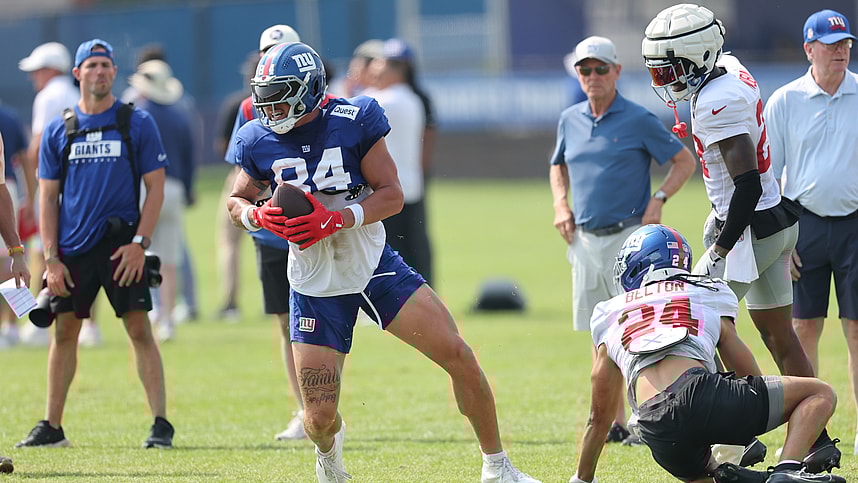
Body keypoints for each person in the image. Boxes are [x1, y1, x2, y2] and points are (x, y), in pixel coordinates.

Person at [227, 41, 539, 483]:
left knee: (458, 354)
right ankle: (330, 458)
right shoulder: (258, 137)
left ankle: (498, 466)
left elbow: (391, 194)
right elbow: (236, 199)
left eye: (280, 94)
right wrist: (254, 215)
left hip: (372, 262)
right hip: (314, 280)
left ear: (308, 89)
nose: (270, 106)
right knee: (317, 418)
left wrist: (336, 219)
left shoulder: (354, 119)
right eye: (265, 94)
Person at [642, 4, 841, 472]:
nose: (666, 79)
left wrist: (719, 248)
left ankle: (737, 440)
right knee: (779, 335)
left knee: (701, 323)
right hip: (773, 220)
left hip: (748, 229)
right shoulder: (728, 67)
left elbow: (746, 184)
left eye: (670, 68)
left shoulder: (717, 98)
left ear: (698, 57)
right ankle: (820, 441)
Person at [571, 224, 846, 483]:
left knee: (711, 477)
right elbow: (747, 373)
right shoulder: (705, 291)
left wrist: (581, 479)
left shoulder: (609, 313)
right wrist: (750, 412)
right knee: (819, 394)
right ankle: (786, 472)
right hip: (701, 394)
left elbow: (599, 417)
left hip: (654, 425)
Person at [16, 39, 174, 449]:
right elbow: (47, 197)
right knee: (64, 332)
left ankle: (160, 424)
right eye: (92, 66)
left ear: (113, 72)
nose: (100, 72)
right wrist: (50, 258)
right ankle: (52, 427)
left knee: (139, 328)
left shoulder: (135, 122)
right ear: (78, 74)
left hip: (123, 246)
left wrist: (141, 242)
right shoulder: (60, 128)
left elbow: (154, 188)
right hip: (72, 249)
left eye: (106, 65)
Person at [549, 35, 696, 443]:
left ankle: (641, 418)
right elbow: (557, 166)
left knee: (637, 331)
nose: (592, 76)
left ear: (616, 71)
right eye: (585, 69)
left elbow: (683, 160)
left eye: (600, 69)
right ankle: (612, 422)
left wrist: (659, 198)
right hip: (584, 240)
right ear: (577, 75)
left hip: (630, 243)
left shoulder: (638, 118)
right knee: (598, 335)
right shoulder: (570, 119)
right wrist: (561, 205)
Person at [763, 9, 858, 456]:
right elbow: (770, 176)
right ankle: (810, 432)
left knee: (857, 329)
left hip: (855, 224)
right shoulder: (784, 100)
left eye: (845, 44)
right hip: (804, 226)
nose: (841, 50)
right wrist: (785, 240)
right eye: (831, 43)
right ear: (809, 48)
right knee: (803, 327)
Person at [222, 23, 308, 440]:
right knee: (285, 322)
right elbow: (243, 179)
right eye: (267, 52)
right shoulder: (248, 109)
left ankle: (320, 404)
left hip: (322, 231)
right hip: (274, 232)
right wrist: (246, 214)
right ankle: (303, 409)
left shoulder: (325, 106)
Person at [18, 41, 83, 347]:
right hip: (77, 186)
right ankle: (89, 327)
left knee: (42, 249)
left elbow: (37, 144)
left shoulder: (48, 96)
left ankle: (37, 321)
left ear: (51, 69)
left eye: (38, 70)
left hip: (50, 184)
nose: (34, 77)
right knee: (75, 252)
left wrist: (31, 193)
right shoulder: (74, 93)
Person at [128, 59, 196, 342]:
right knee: (169, 259)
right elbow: (189, 156)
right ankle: (167, 318)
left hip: (146, 188)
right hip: (176, 188)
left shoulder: (139, 114)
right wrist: (189, 190)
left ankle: (152, 310)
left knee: (142, 251)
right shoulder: (180, 115)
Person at [363, 38, 434, 284]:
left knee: (385, 255)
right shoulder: (413, 99)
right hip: (411, 185)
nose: (374, 69)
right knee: (416, 250)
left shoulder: (384, 101)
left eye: (380, 63)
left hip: (387, 191)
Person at [0, 103, 31, 348]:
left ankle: (9, 324)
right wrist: (30, 196)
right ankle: (10, 325)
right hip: (8, 187)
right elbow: (26, 158)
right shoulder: (10, 116)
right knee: (5, 262)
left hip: (4, 190)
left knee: (6, 262)